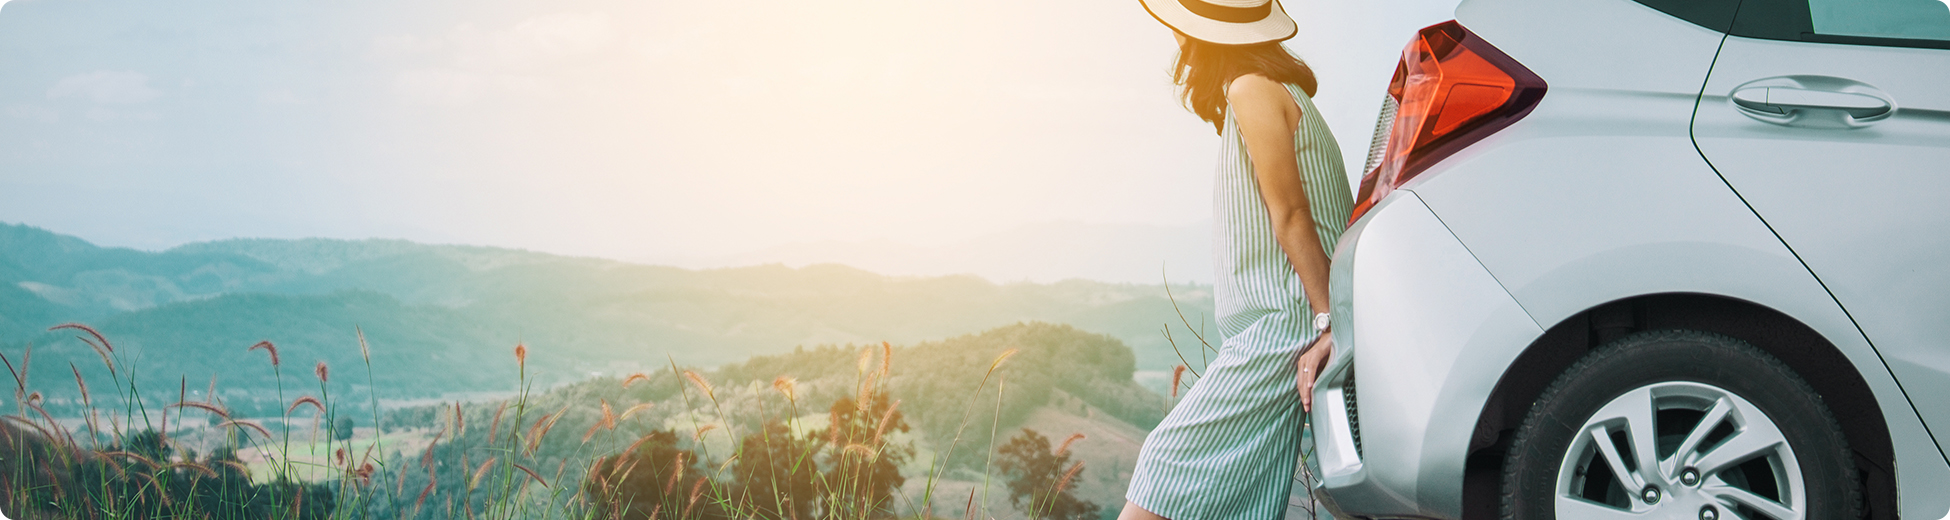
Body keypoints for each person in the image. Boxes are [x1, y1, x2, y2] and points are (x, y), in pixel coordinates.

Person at [1121, 0, 1353, 518]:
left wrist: (1325, 323)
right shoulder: (1270, 91)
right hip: (1287, 320)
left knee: (1165, 464)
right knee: (1250, 498)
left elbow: (1291, 214)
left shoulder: (1252, 89)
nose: (1177, 41)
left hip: (1283, 324)